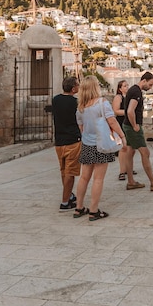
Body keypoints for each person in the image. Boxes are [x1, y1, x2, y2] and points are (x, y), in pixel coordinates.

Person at [74, 75, 127, 221]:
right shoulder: (102, 103)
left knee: (84, 177)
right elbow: (112, 122)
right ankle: (93, 210)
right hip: (101, 144)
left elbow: (81, 127)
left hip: (87, 144)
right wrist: (122, 137)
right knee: (98, 179)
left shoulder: (80, 108)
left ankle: (79, 207)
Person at [123, 71, 153, 192]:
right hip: (133, 126)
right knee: (145, 153)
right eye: (150, 84)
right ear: (144, 81)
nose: (150, 87)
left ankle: (131, 182)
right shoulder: (136, 92)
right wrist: (135, 125)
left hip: (127, 125)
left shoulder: (133, 90)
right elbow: (130, 111)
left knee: (130, 152)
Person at [52, 76, 81, 212]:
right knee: (70, 172)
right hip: (72, 140)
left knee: (64, 170)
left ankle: (68, 195)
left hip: (59, 141)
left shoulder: (55, 100)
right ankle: (65, 202)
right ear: (73, 88)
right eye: (78, 85)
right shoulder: (76, 102)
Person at [112, 79, 138, 181]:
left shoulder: (130, 98)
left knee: (131, 148)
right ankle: (122, 171)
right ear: (120, 88)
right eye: (125, 86)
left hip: (129, 123)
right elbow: (116, 111)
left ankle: (129, 168)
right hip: (121, 123)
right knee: (123, 148)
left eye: (127, 85)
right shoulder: (118, 97)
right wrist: (128, 112)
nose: (127, 87)